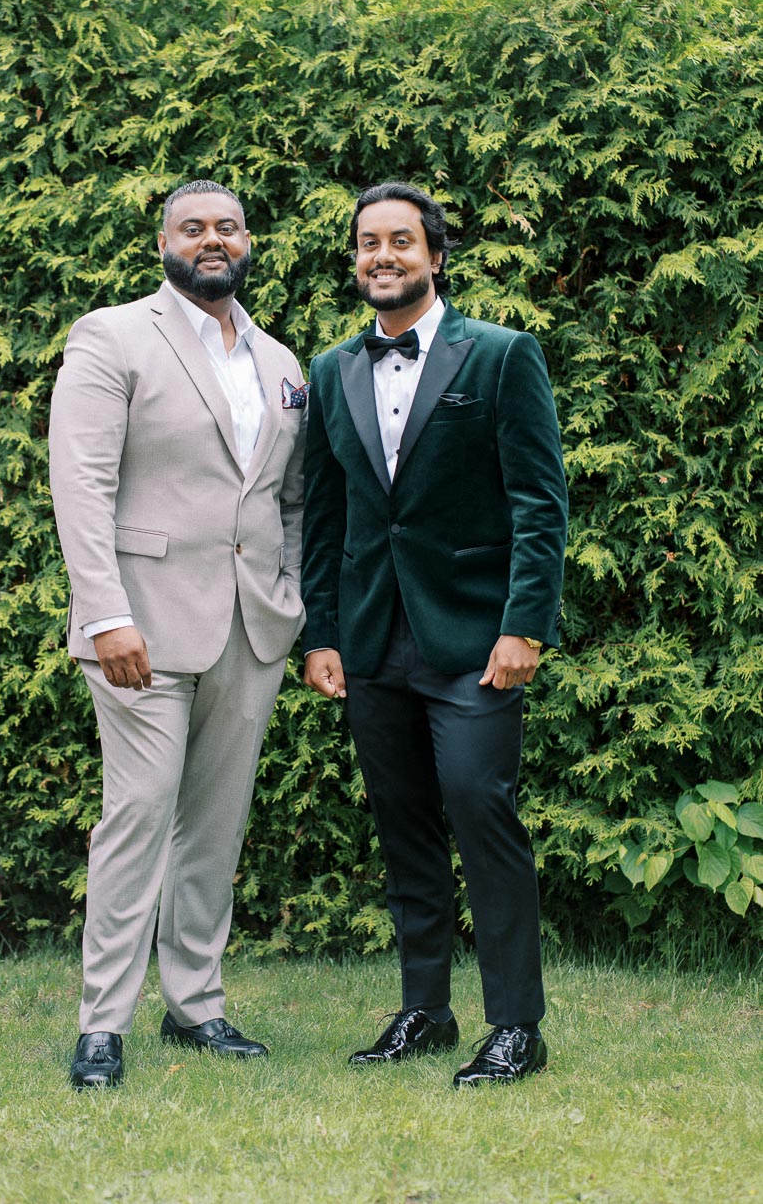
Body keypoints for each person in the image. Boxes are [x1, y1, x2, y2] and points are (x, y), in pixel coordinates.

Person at [301, 182, 567, 1087]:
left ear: (435, 256)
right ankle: (425, 1010)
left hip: (475, 642)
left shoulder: (499, 355)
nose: (383, 256)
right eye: (369, 243)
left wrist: (524, 625)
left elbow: (540, 504)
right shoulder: (333, 369)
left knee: (480, 810)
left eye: (401, 242)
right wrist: (321, 633)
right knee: (404, 827)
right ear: (356, 259)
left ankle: (515, 1026)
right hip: (374, 640)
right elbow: (328, 516)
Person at [49, 180, 307, 1088]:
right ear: (163, 240)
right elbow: (80, 483)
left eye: (227, 227)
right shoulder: (113, 335)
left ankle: (195, 1005)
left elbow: (292, 499)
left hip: (252, 629)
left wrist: (290, 596)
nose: (212, 240)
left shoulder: (281, 363)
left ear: (248, 242)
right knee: (139, 813)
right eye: (193, 227)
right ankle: (102, 1026)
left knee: (215, 825)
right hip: (143, 629)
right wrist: (105, 613)